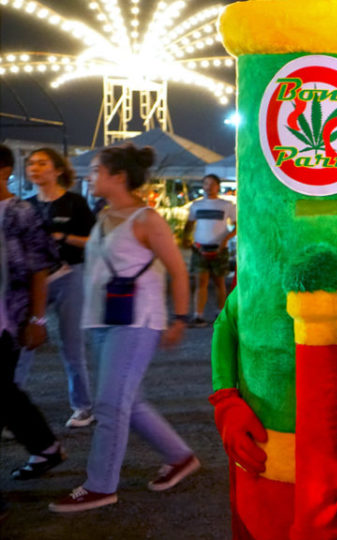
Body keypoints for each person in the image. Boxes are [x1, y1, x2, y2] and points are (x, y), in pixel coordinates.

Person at [49, 144, 198, 513]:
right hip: (103, 321)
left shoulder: (147, 219)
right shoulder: (104, 216)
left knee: (110, 404)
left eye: (97, 170)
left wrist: (179, 319)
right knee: (129, 402)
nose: (89, 175)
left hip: (135, 323)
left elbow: (179, 270)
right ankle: (180, 457)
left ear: (118, 176)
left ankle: (101, 486)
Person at [14, 147, 97, 429]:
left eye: (42, 163)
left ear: (58, 170)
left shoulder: (75, 203)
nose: (34, 168)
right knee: (23, 342)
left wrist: (64, 237)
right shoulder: (24, 206)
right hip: (36, 280)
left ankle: (83, 407)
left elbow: (95, 242)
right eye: (31, 163)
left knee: (71, 344)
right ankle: (11, 410)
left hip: (70, 275)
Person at [0, 143, 67, 481]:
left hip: (7, 323)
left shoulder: (20, 213)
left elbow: (39, 270)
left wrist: (37, 320)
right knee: (5, 393)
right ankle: (45, 446)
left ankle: (45, 446)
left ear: (4, 172)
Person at [181, 174, 237, 327]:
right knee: (200, 282)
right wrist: (186, 239)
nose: (208, 187)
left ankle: (221, 313)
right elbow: (189, 224)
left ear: (218, 186)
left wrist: (225, 240)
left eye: (212, 184)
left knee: (219, 282)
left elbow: (236, 226)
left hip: (220, 249)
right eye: (205, 183)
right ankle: (198, 315)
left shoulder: (226, 205)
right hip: (200, 248)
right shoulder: (196, 205)